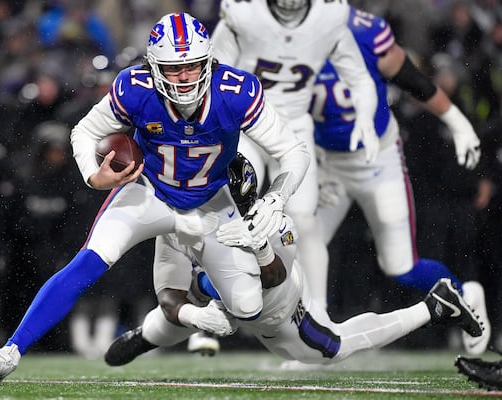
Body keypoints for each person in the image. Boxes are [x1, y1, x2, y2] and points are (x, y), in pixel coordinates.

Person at [0, 12, 310, 384]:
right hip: (148, 192)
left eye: (192, 66)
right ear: (154, 67)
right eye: (172, 69)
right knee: (89, 260)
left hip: (212, 199)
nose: (183, 78)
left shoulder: (236, 92)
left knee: (247, 306)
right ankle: (10, 351)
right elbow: (85, 131)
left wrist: (276, 198)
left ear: (209, 61)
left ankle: (200, 286)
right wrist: (93, 174)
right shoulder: (134, 87)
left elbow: (294, 151)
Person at [103, 153, 484, 367]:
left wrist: (260, 247)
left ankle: (436, 305)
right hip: (212, 301)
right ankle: (145, 337)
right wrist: (192, 313)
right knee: (167, 325)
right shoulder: (178, 221)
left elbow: (271, 277)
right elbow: (170, 294)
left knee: (329, 349)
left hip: (274, 306)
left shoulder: (272, 220)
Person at [307, 7, 489, 354]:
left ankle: (465, 296)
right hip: (325, 161)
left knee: (401, 266)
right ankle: (310, 335)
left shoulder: (364, 32)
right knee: (302, 247)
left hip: (377, 159)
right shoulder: (274, 38)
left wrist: (457, 121)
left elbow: (413, 80)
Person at [210, 0, 380, 310]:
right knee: (227, 210)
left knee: (304, 220)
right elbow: (212, 76)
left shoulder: (330, 16)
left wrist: (366, 118)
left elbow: (359, 78)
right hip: (248, 125)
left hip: (293, 130)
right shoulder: (243, 13)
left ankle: (317, 311)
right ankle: (213, 303)